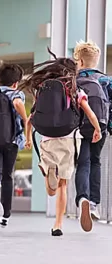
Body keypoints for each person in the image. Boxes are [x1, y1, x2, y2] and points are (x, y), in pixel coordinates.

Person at [22, 49, 101, 236]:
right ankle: (59, 224)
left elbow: (30, 119)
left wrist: (27, 138)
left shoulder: (42, 89)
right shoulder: (75, 89)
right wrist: (97, 129)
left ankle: (49, 175)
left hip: (47, 138)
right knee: (63, 185)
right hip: (69, 138)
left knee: (51, 189)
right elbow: (89, 112)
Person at [0, 63, 30, 228]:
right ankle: (5, 216)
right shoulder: (17, 94)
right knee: (7, 176)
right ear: (16, 82)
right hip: (11, 141)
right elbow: (17, 104)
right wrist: (26, 119)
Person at [73, 40, 111, 232]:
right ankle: (94, 203)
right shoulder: (105, 80)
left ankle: (82, 198)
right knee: (95, 162)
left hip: (78, 128)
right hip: (100, 128)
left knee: (83, 162)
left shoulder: (73, 81)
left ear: (79, 61)